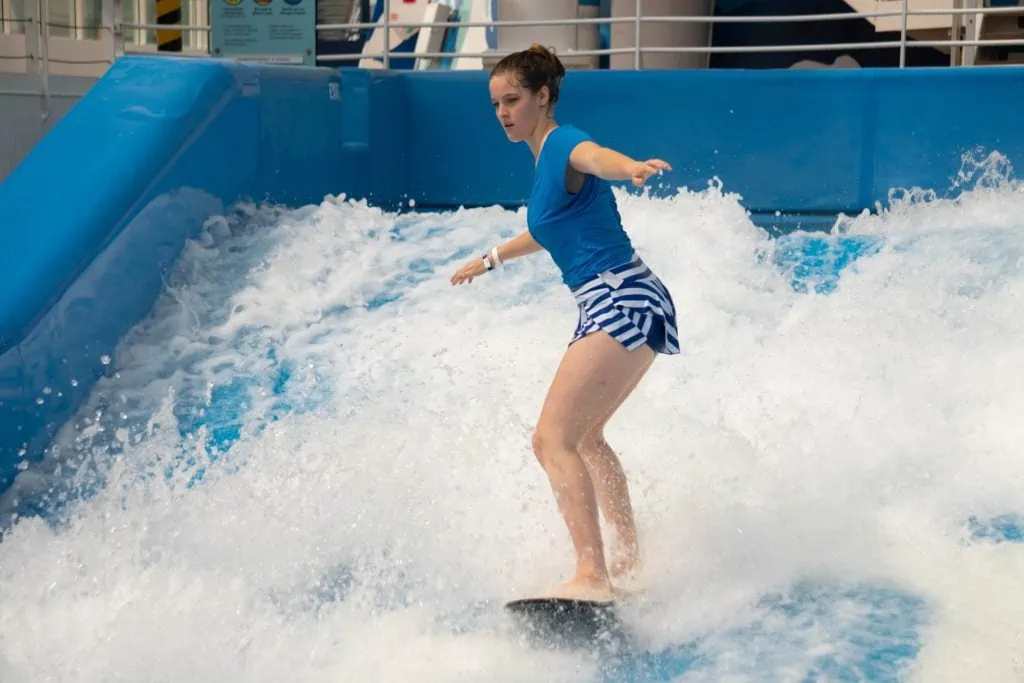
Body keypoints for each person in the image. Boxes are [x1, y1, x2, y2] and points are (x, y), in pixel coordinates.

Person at [449, 43, 679, 604]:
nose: (503, 112)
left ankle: (590, 575)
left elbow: (597, 156)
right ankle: (626, 560)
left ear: (543, 96)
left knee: (551, 439)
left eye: (513, 100)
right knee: (588, 438)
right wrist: (493, 258)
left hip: (618, 298)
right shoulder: (544, 160)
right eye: (496, 103)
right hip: (630, 296)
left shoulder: (562, 142)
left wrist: (631, 168)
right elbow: (550, 228)